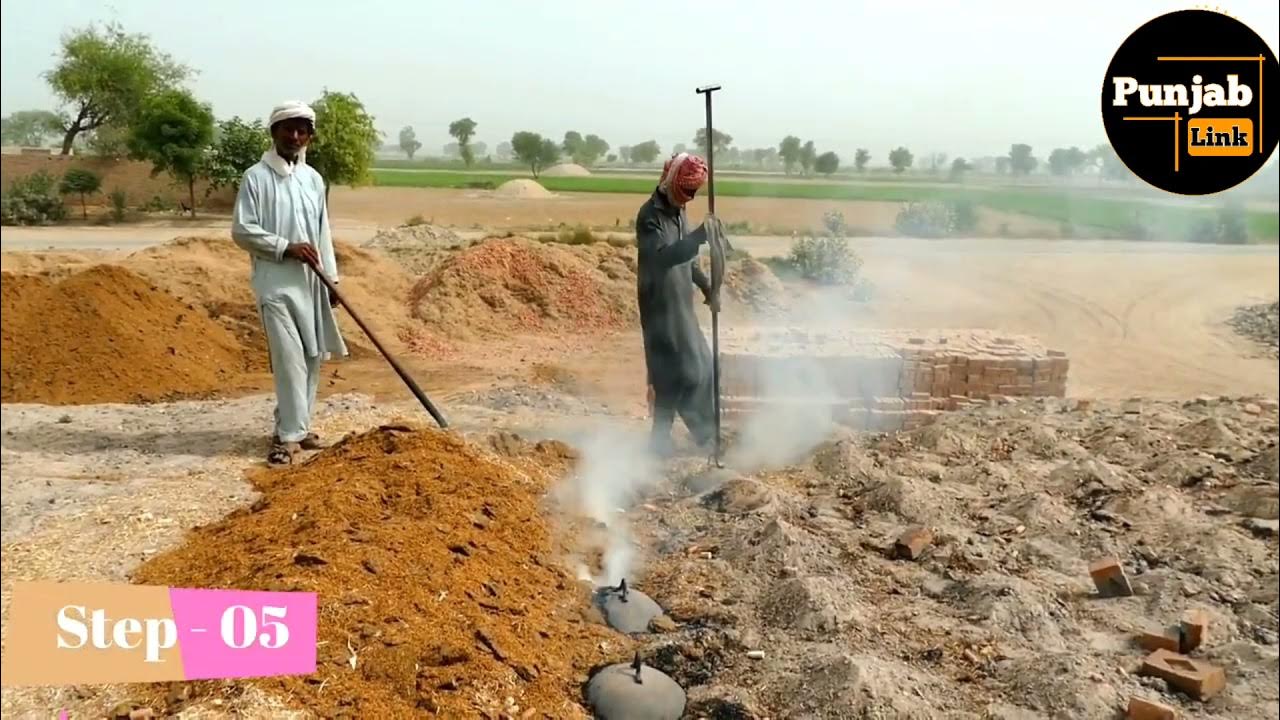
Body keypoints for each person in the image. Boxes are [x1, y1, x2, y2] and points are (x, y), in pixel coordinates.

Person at [232, 101, 347, 466]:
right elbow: (242, 230)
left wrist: (331, 279)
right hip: (275, 284)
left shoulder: (312, 179)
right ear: (274, 133)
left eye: (301, 130)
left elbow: (322, 232)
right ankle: (287, 438)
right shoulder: (256, 177)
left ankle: (296, 426)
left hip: (311, 284)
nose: (294, 136)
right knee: (289, 358)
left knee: (313, 356)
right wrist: (285, 247)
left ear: (309, 136)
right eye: (287, 129)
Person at [636, 151, 722, 457]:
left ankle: (705, 433)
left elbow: (688, 263)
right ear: (672, 180)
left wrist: (706, 286)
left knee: (703, 364)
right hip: (660, 306)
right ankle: (663, 442)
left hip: (682, 305)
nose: (689, 198)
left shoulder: (679, 212)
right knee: (674, 373)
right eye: (686, 190)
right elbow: (662, 258)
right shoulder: (650, 216)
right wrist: (699, 237)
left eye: (693, 193)